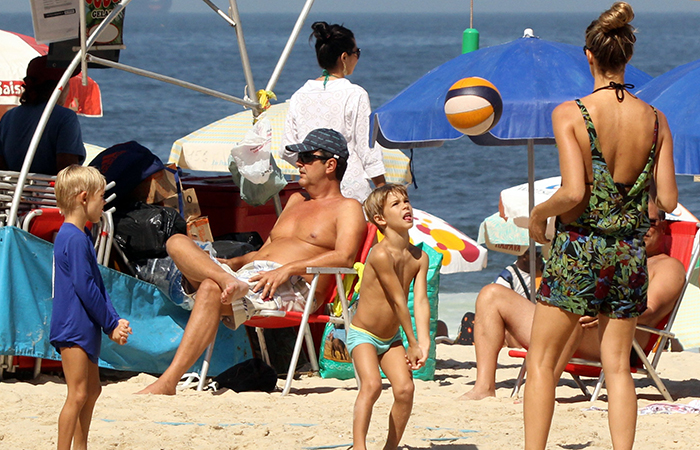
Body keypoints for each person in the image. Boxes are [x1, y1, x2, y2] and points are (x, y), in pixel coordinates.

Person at [524, 3, 677, 449]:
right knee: (617, 366)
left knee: (542, 361)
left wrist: (538, 215)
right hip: (629, 253)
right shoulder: (656, 120)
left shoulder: (570, 114)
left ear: (588, 56)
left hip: (578, 248)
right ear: (626, 58)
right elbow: (667, 200)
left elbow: (573, 193)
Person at [138, 128, 367, 395]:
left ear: (330, 164)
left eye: (306, 157)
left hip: (294, 285)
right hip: (250, 277)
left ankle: (167, 382)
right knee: (176, 242)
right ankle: (227, 280)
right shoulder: (294, 200)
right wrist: (232, 262)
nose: (298, 163)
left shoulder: (348, 207)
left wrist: (287, 269)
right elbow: (265, 252)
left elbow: (345, 257)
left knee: (211, 288)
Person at [459, 202, 684, 401]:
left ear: (663, 227)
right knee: (492, 295)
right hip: (580, 326)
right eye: (635, 219)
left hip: (612, 339)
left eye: (650, 222)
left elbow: (649, 309)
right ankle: (484, 387)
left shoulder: (668, 267)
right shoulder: (616, 256)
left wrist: (601, 311)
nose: (641, 226)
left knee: (570, 315)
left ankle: (541, 392)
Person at [50, 165, 132, 450]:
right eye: (101, 197)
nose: (104, 204)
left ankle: (81, 446)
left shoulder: (81, 236)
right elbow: (85, 287)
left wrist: (113, 319)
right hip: (73, 325)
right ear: (84, 198)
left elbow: (97, 283)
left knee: (92, 390)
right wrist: (111, 324)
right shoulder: (72, 237)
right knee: (77, 393)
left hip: (85, 324)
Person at [349, 184, 430, 450]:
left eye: (406, 201)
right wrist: (412, 342)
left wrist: (424, 341)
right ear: (380, 220)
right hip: (363, 334)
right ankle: (359, 447)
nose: (405, 206)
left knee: (405, 390)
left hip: (390, 337)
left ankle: (390, 448)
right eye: (395, 204)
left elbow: (419, 300)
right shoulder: (380, 254)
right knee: (371, 386)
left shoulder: (420, 257)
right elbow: (398, 300)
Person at [282, 21, 386, 203]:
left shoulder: (299, 95)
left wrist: (313, 166)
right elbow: (367, 147)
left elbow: (287, 149)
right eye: (357, 53)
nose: (358, 57)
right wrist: (382, 187)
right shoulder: (355, 94)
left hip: (314, 192)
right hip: (349, 190)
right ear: (344, 57)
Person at [0, 56, 86, 175]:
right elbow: (67, 170)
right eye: (67, 82)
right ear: (59, 87)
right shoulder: (65, 117)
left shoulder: (8, 117)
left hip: (13, 191)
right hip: (48, 192)